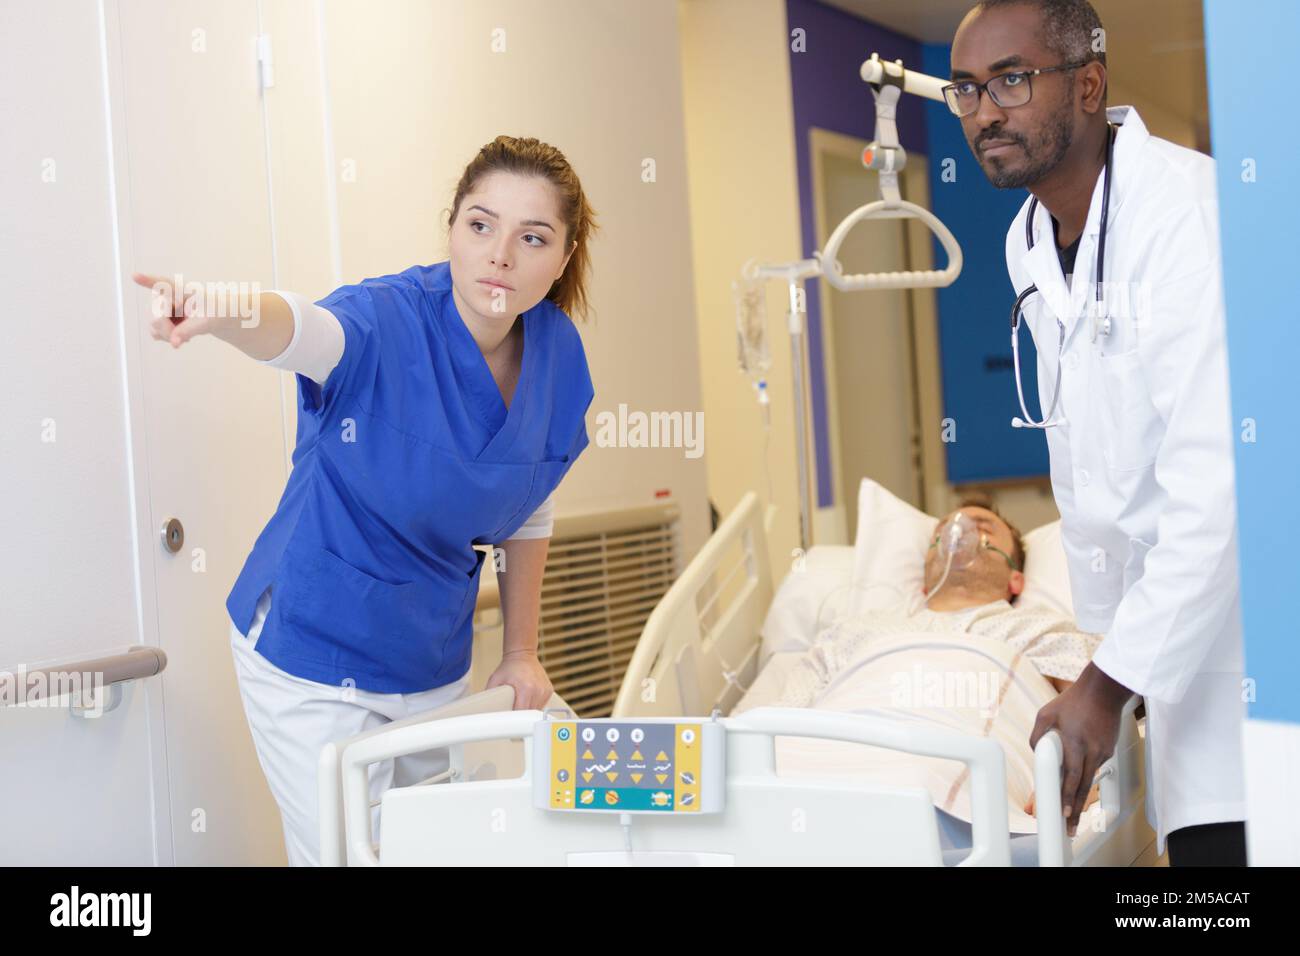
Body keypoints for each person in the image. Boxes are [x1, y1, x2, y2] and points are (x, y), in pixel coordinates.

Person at [133, 135, 598, 866]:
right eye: (480, 225)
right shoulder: (388, 320)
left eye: (531, 237)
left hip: (432, 659)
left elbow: (528, 502)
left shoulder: (557, 355)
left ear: (563, 257)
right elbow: (302, 328)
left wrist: (520, 652)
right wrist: (217, 309)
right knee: (351, 859)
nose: (500, 254)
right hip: (313, 649)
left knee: (436, 855)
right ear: (452, 227)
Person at [947, 0, 1247, 865]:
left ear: (1087, 83)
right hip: (1170, 652)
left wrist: (1108, 686)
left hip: (1253, 636)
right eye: (968, 90)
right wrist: (1110, 661)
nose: (985, 112)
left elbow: (1217, 483)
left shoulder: (1191, 215)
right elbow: (1086, 467)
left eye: (1011, 79)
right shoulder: (1027, 240)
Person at [773, 502, 1102, 860]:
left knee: (913, 785)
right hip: (814, 770)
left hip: (932, 779)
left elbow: (1095, 714)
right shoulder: (851, 632)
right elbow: (783, 719)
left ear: (1015, 579)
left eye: (984, 528)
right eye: (941, 531)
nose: (959, 530)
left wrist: (1075, 780)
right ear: (926, 576)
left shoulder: (1041, 628)